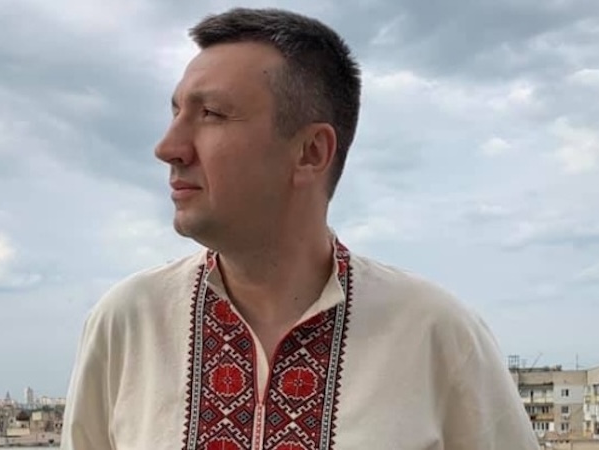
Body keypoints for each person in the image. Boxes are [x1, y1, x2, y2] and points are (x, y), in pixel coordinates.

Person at [60, 7, 538, 450]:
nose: (168, 147)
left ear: (311, 152)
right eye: (176, 112)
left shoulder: (437, 334)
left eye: (211, 114)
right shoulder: (127, 323)